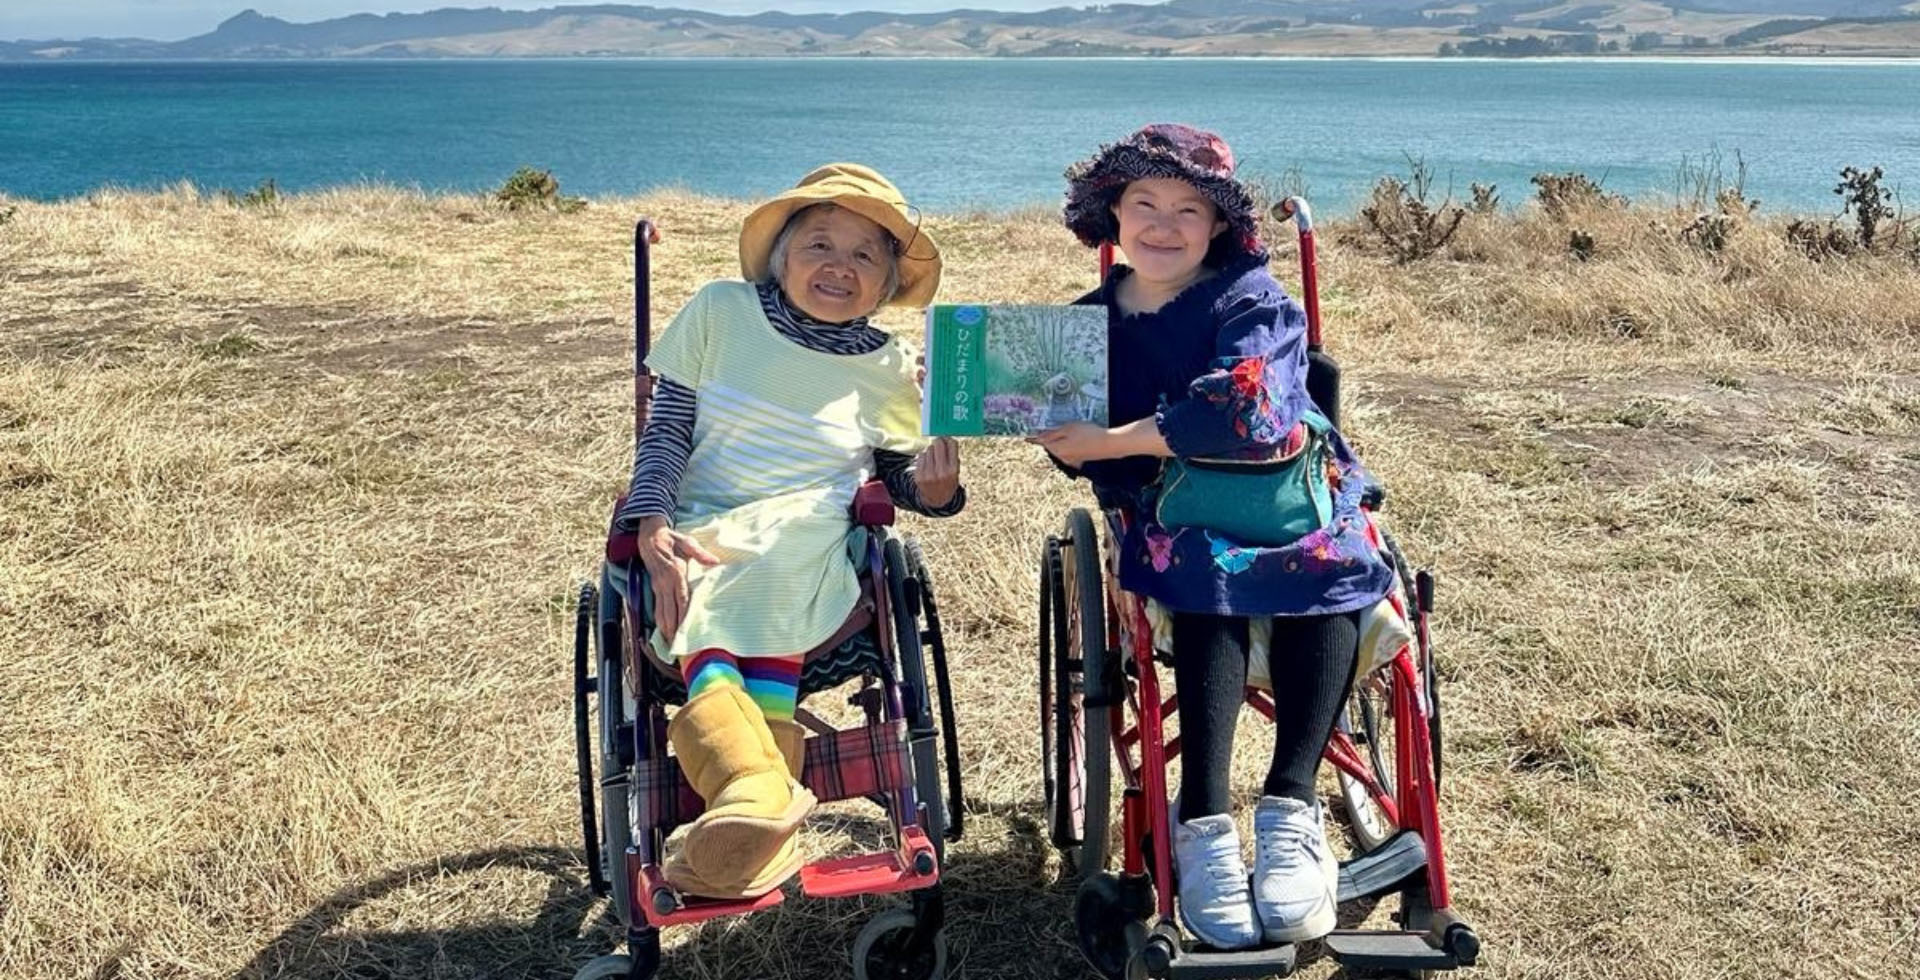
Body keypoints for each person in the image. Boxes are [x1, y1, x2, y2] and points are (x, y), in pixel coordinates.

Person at [1031, 124, 1394, 949]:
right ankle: (1202, 821)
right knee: (1201, 571)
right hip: (1172, 508)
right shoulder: (1083, 327)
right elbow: (1065, 442)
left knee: (1329, 569)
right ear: (1113, 213)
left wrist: (1110, 439)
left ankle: (1290, 805)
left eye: (1187, 209)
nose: (1163, 225)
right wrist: (1028, 422)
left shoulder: (1254, 301)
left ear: (1219, 223)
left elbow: (1248, 410)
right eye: (1144, 203)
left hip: (1285, 490)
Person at [611, 163, 966, 900]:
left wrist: (935, 492)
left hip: (813, 530)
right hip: (703, 519)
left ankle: (751, 803)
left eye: (865, 255)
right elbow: (665, 432)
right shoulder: (720, 311)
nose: (840, 266)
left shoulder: (892, 365)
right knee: (703, 566)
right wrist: (652, 526)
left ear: (887, 282)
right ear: (781, 257)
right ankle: (758, 797)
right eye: (819, 245)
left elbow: (898, 475)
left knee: (772, 552)